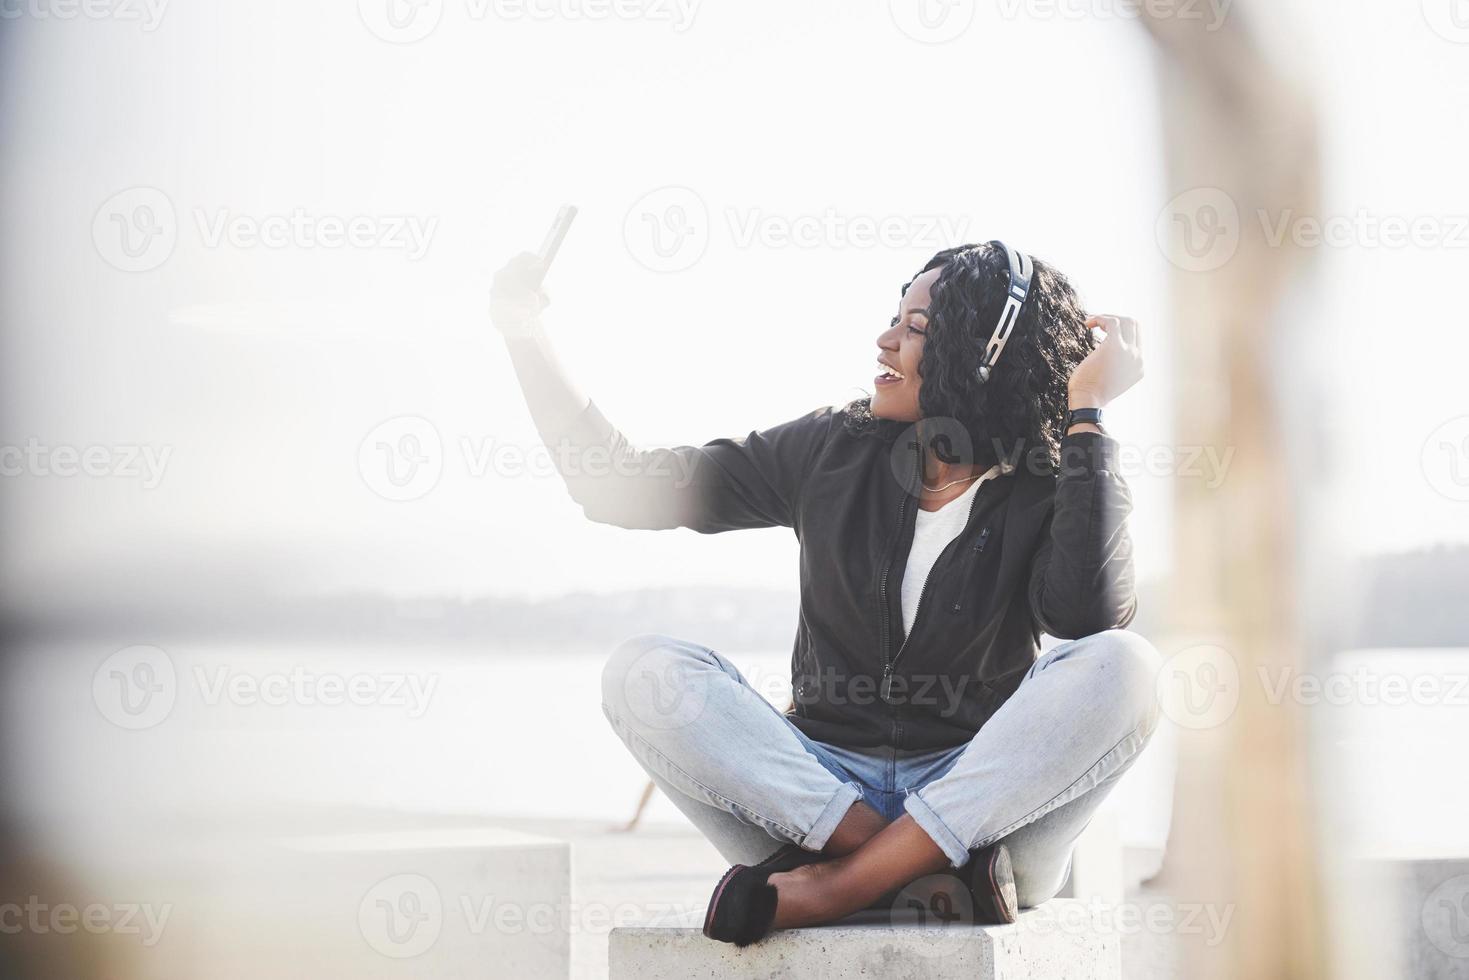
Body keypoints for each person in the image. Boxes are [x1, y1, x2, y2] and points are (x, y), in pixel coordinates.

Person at [492, 241, 1160, 946]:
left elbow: (1085, 617)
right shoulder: (829, 449)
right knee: (644, 671)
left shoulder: (1049, 480)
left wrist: (1085, 412)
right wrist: (522, 332)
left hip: (984, 817)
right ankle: (897, 863)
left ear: (981, 355)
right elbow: (617, 485)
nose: (884, 339)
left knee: (1126, 666)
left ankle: (844, 883)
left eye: (916, 329)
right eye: (893, 319)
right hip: (825, 802)